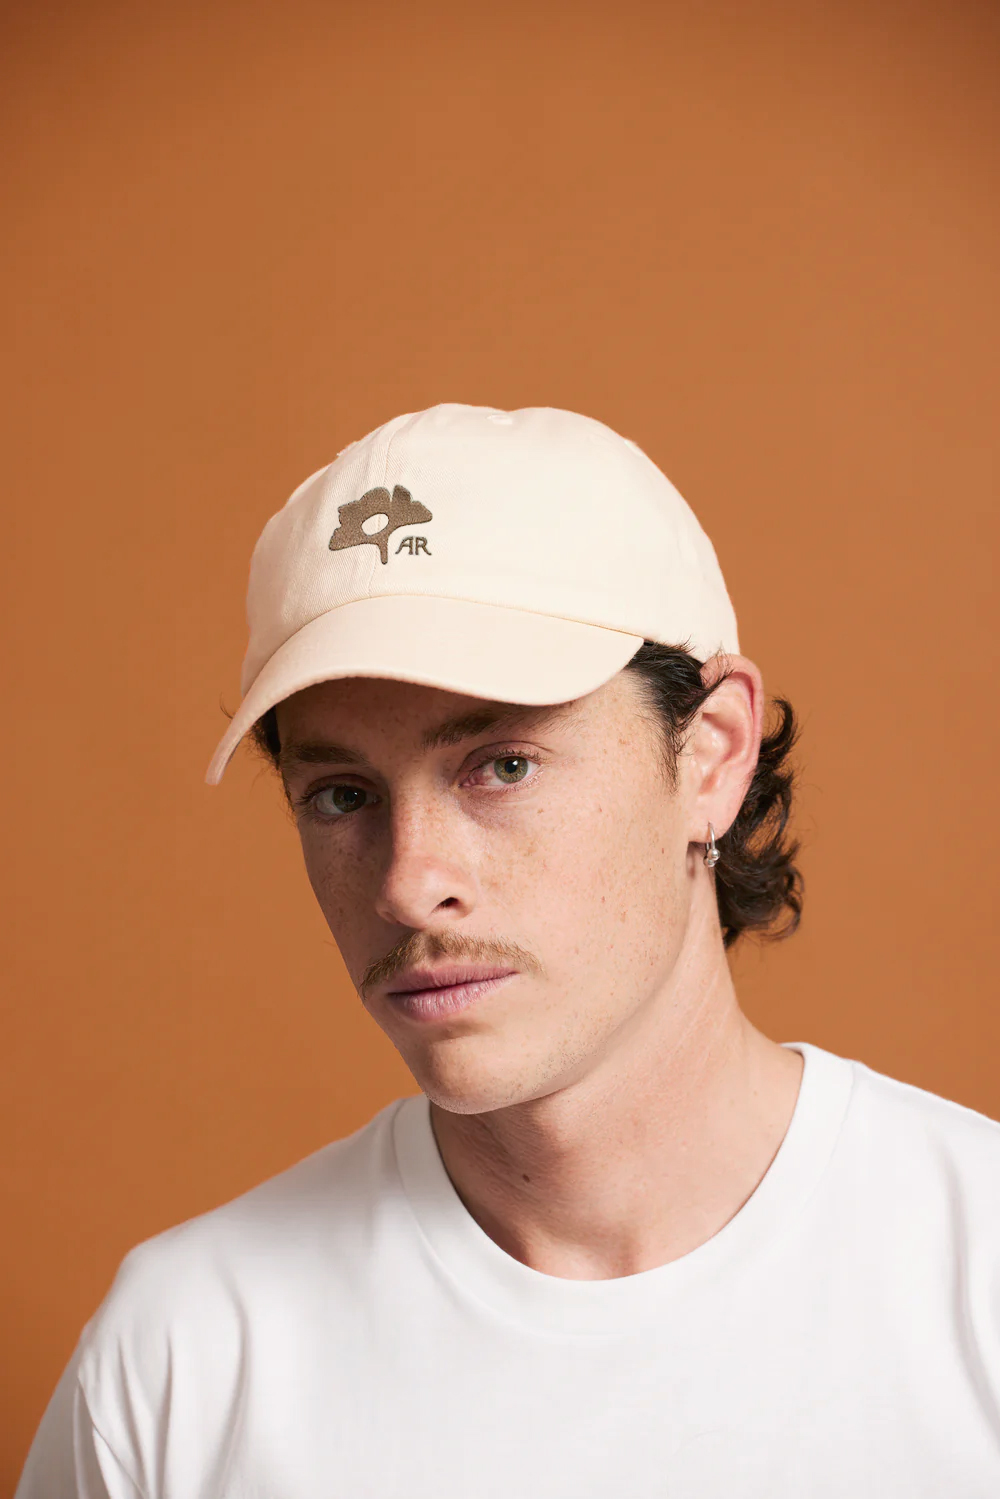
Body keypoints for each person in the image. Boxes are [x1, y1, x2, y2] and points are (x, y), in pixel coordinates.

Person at [17, 404, 1000, 1497]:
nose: (406, 882)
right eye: (341, 794)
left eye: (503, 765)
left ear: (711, 755)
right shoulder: (181, 1359)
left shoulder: (976, 1273)